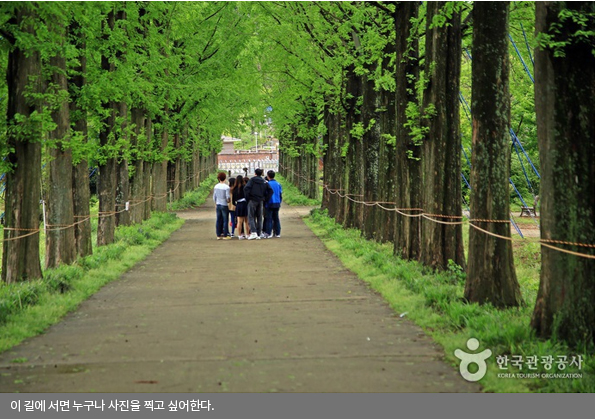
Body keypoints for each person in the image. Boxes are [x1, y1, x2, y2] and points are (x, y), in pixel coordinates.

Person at [243, 168, 273, 240]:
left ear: (255, 173)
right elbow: (270, 191)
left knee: (251, 216)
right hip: (261, 200)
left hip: (252, 200)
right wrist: (265, 198)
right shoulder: (264, 181)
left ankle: (253, 232)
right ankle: (259, 233)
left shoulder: (252, 180)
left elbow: (246, 188)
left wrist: (248, 198)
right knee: (259, 217)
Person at [264, 170, 283, 238]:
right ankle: (277, 233)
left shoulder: (267, 184)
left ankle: (269, 233)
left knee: (269, 218)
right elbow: (280, 194)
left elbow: (265, 194)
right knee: (276, 218)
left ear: (268, 176)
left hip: (269, 203)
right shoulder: (278, 184)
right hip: (277, 202)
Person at [213, 172, 231, 240]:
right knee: (225, 220)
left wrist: (215, 203)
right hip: (224, 204)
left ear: (219, 178)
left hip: (218, 204)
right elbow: (227, 197)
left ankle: (218, 234)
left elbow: (214, 196)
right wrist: (228, 201)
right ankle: (225, 235)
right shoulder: (226, 187)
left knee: (218, 219)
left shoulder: (216, 186)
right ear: (225, 178)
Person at [232, 175, 250, 239]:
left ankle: (239, 235)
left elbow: (233, 201)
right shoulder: (245, 187)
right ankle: (248, 234)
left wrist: (236, 205)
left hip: (239, 205)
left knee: (239, 222)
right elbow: (248, 196)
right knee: (247, 221)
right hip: (245, 204)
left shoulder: (234, 189)